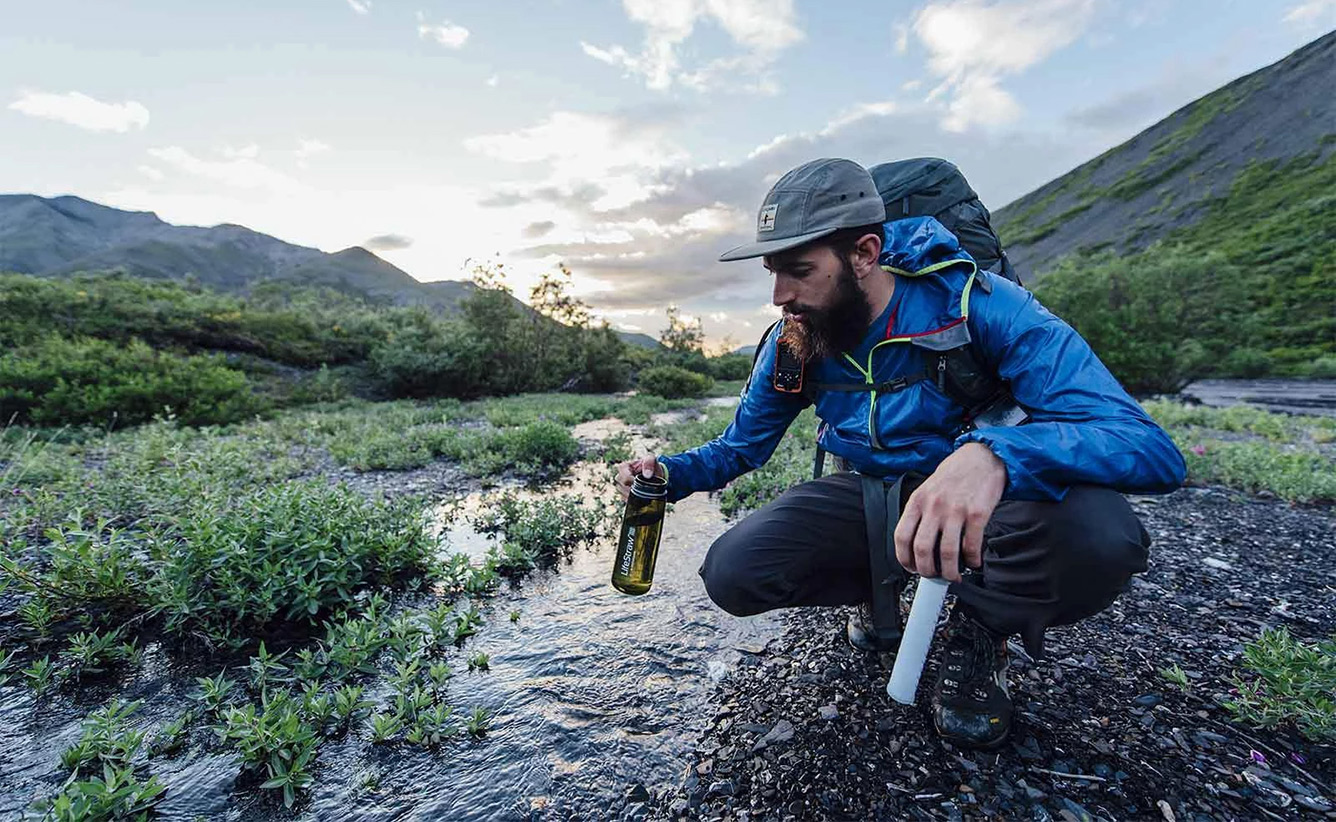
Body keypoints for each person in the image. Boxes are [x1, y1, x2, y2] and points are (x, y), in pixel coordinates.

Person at [613, 158, 1187, 749]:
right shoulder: (794, 340)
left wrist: (993, 454)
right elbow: (740, 447)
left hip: (992, 507)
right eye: (772, 273)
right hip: (877, 496)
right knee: (737, 572)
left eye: (799, 271)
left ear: (864, 253)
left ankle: (982, 630)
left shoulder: (980, 307)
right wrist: (669, 473)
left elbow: (1148, 447)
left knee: (1101, 537)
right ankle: (878, 590)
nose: (780, 295)